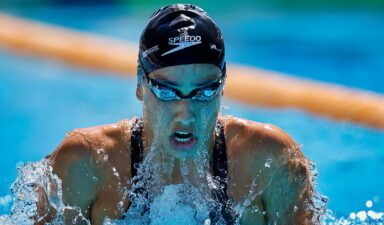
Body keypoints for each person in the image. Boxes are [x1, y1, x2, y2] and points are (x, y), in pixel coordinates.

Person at [36, 4, 317, 225]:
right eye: (167, 92)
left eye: (204, 92)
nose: (186, 113)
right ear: (140, 85)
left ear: (223, 87)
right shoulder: (86, 164)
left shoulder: (268, 162)